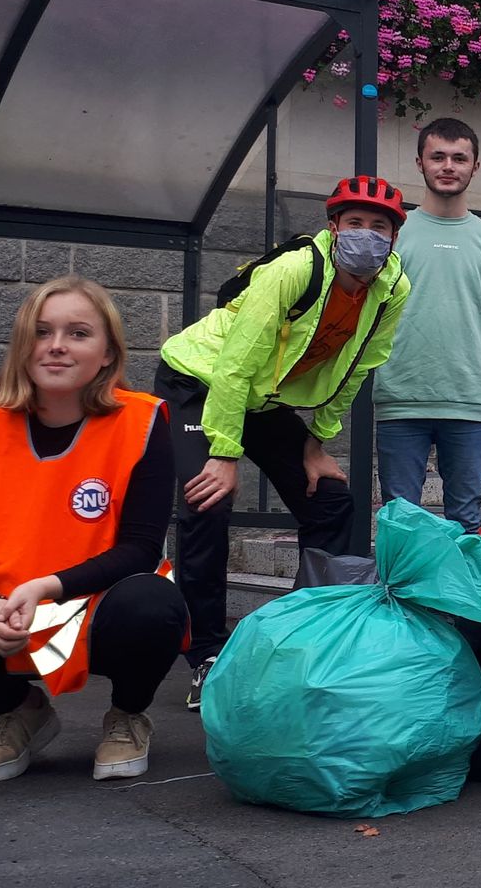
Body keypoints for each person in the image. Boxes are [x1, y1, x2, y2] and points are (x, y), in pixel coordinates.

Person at [0, 276, 186, 783]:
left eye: (78, 333)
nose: (56, 346)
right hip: (10, 614)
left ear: (108, 354)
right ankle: (21, 711)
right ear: (23, 347)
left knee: (154, 604)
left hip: (94, 610)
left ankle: (128, 715)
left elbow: (139, 548)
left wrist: (46, 587)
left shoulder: (141, 421)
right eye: (41, 332)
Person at [159, 176, 411, 710]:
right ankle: (206, 655)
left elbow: (360, 365)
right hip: (200, 380)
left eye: (380, 227)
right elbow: (236, 361)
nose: (367, 235)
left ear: (394, 237)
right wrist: (224, 452)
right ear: (333, 226)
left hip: (263, 398)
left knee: (331, 501)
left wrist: (317, 444)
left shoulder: (392, 288)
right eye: (355, 223)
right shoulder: (295, 269)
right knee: (207, 501)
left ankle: (309, 636)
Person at [374, 117, 481, 532]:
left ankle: (460, 581)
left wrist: (477, 370)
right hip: (400, 397)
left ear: (476, 166)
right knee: (401, 522)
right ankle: (402, 580)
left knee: (466, 523)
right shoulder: (393, 235)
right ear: (420, 163)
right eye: (438, 157)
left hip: (467, 400)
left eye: (459, 158)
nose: (448, 166)